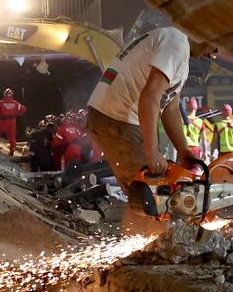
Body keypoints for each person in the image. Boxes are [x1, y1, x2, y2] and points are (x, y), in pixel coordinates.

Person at [86, 26, 216, 195]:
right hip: (118, 120)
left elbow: (170, 108)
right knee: (154, 194)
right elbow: (149, 98)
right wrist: (152, 152)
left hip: (112, 118)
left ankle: (138, 219)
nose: (215, 53)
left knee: (141, 193)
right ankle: (143, 221)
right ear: (204, 32)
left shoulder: (177, 51)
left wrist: (183, 151)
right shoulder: (176, 44)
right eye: (216, 44)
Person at [0, 88, 27, 155]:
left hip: (3, 121)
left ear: (4, 95)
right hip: (12, 121)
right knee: (12, 136)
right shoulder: (16, 103)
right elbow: (23, 109)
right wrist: (19, 113)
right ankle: (12, 150)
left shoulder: (0, 103)